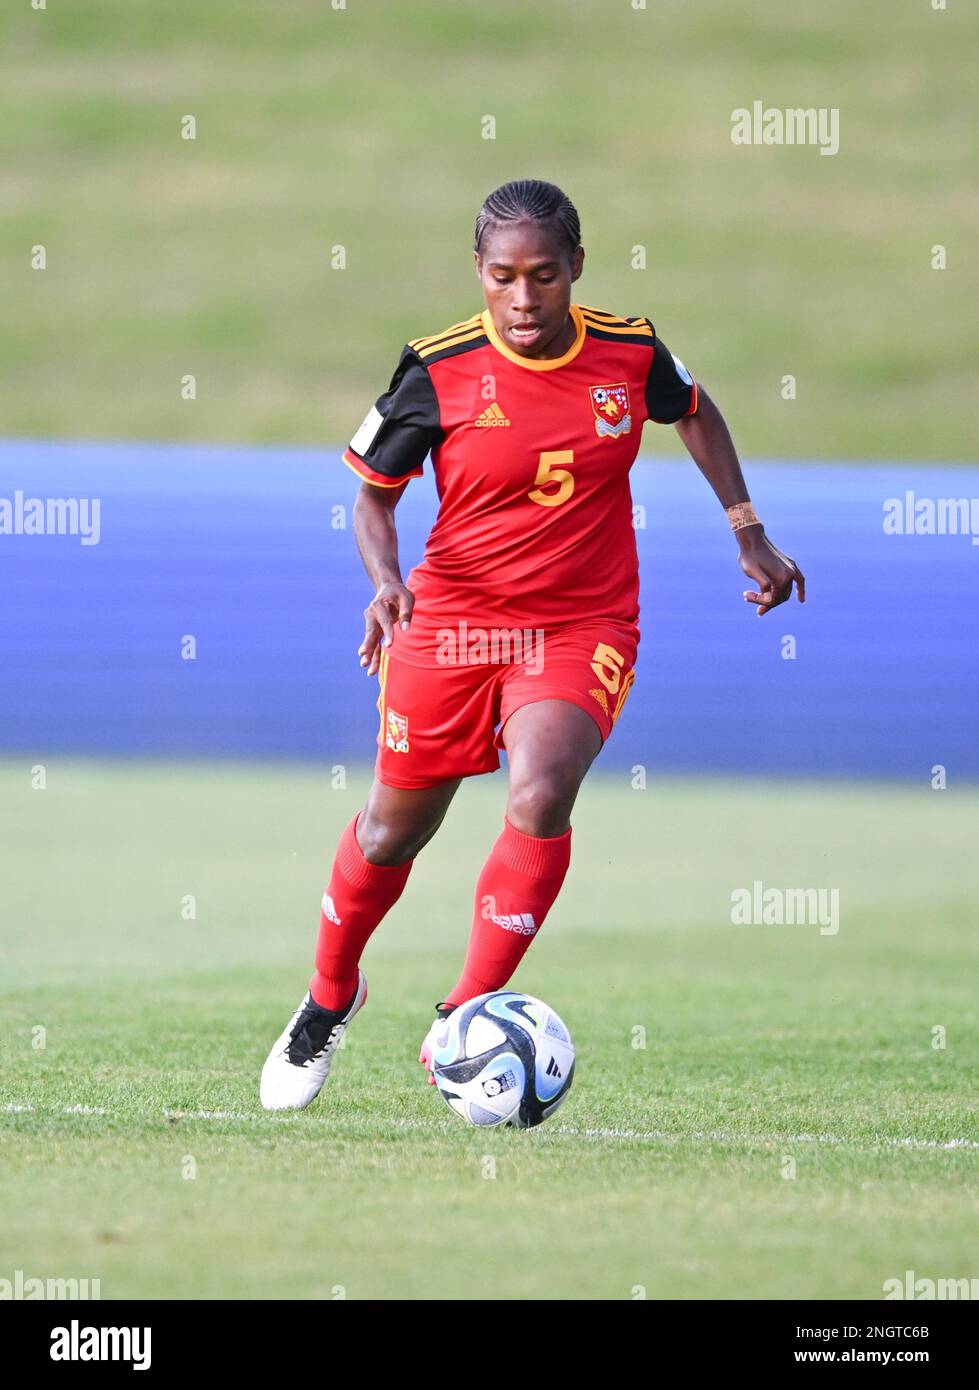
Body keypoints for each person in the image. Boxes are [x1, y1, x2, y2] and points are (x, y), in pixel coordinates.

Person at [260, 178, 805, 1111]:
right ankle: (325, 1001)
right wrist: (386, 584)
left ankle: (464, 1016)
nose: (522, 299)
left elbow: (694, 410)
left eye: (543, 277)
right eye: (503, 277)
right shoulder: (436, 369)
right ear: (478, 272)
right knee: (395, 829)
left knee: (542, 787)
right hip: (453, 624)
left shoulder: (629, 351)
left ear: (575, 271)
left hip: (578, 623)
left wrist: (744, 524)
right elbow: (372, 496)